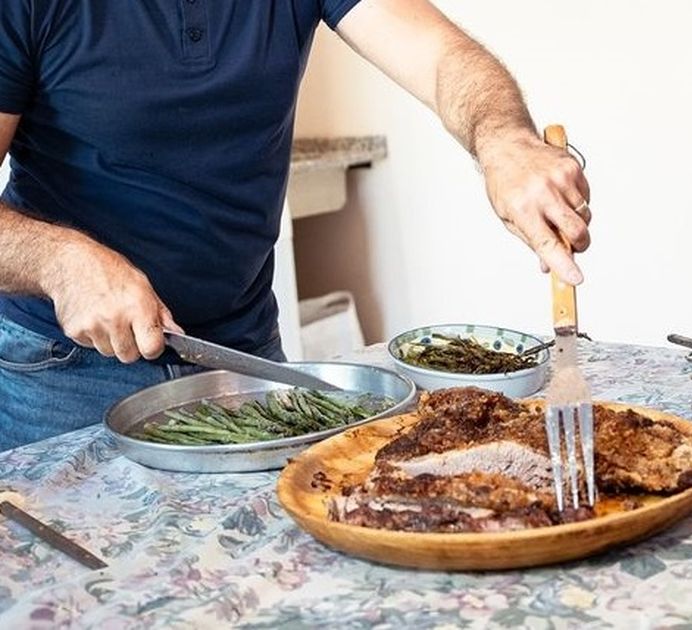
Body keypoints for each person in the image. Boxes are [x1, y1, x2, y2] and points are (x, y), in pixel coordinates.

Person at [0, 0, 592, 451]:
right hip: (61, 373)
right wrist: (62, 262)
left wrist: (503, 138)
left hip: (241, 358)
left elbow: (444, 59)